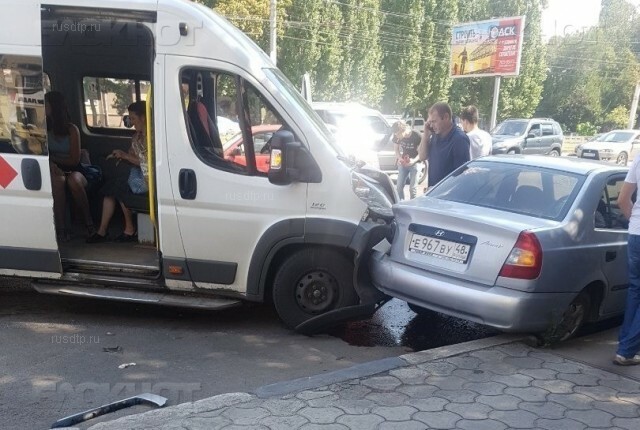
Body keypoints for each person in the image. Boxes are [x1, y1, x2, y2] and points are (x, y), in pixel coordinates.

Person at [87, 101, 148, 243]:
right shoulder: (136, 137)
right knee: (111, 189)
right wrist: (121, 156)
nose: (131, 123)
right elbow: (133, 157)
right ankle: (102, 231)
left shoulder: (154, 138)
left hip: (149, 179)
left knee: (118, 186)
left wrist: (126, 156)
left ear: (143, 118)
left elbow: (150, 164)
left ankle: (129, 229)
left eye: (133, 118)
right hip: (139, 174)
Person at [45, 91, 95, 241]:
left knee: (74, 180)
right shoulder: (42, 128)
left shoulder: (72, 130)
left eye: (46, 104)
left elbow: (74, 160)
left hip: (75, 169)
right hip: (54, 169)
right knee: (58, 181)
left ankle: (89, 224)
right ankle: (61, 229)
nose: (43, 107)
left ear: (55, 107)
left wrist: (53, 158)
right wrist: (51, 163)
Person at [613, 158, 640, 365]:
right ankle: (627, 351)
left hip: (636, 234)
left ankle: (624, 344)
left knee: (635, 289)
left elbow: (622, 199)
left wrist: (635, 223)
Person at [426, 102, 470, 188]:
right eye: (430, 122)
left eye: (434, 121)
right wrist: (425, 135)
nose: (431, 125)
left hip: (447, 197)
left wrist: (442, 191)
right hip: (433, 193)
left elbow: (461, 175)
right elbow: (422, 156)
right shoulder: (435, 135)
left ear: (446, 117)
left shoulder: (459, 139)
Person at [392, 120, 421, 200]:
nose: (397, 137)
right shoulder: (396, 136)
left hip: (415, 163)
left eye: (398, 134)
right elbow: (396, 150)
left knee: (412, 189)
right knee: (399, 187)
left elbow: (421, 153)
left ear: (403, 130)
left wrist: (413, 160)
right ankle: (402, 205)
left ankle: (412, 207)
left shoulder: (416, 135)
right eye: (395, 135)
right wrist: (400, 158)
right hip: (404, 163)